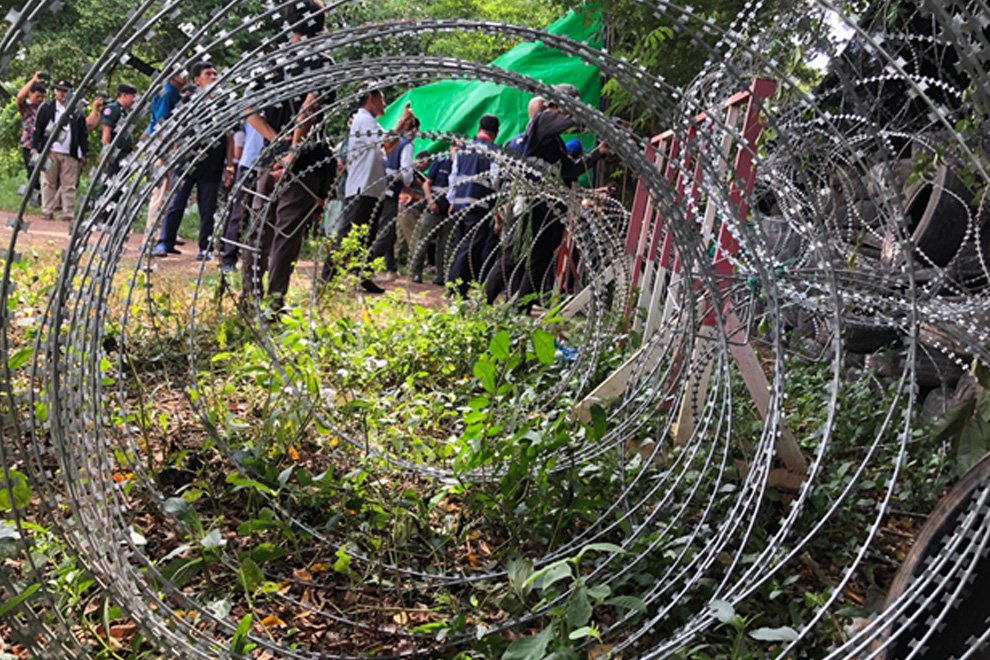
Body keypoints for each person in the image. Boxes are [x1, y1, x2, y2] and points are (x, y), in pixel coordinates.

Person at [240, 0, 336, 310]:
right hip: (304, 161)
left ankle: (249, 298)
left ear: (288, 25)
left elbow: (248, 108)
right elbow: (310, 106)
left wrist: (277, 142)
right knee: (286, 234)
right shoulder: (322, 62)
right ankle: (273, 305)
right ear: (320, 26)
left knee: (259, 230)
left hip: (271, 157)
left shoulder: (270, 62)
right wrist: (293, 151)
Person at [485, 84, 608, 311]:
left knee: (539, 262)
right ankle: (483, 303)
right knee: (512, 256)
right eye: (571, 108)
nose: (571, 114)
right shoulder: (542, 120)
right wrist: (597, 120)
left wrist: (598, 153)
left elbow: (569, 171)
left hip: (544, 207)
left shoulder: (555, 142)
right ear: (560, 104)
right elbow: (571, 122)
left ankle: (520, 311)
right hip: (527, 203)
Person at [152, 62, 234, 259]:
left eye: (215, 73)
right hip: (186, 162)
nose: (213, 77)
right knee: (175, 203)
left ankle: (205, 248)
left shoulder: (224, 104)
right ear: (197, 80)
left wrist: (230, 166)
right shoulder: (187, 101)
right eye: (208, 74)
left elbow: (229, 138)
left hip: (212, 165)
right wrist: (171, 157)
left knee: (208, 208)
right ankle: (164, 242)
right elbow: (176, 132)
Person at [319, 83, 389, 294]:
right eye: (381, 98)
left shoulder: (371, 122)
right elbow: (387, 143)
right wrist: (402, 122)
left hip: (371, 187)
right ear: (371, 99)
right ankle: (328, 278)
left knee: (366, 236)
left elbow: (387, 145)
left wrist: (402, 127)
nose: (384, 103)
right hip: (362, 187)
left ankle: (363, 277)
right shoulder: (364, 120)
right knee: (348, 234)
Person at [446, 114, 501, 297]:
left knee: (460, 246)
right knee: (470, 249)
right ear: (496, 133)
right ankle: (457, 290)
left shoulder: (463, 148)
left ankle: (453, 285)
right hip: (479, 204)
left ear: (479, 128)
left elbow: (453, 176)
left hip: (459, 203)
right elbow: (494, 180)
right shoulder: (494, 152)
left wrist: (451, 200)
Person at [371, 110, 419, 280]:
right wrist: (409, 184)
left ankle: (390, 266)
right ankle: (366, 265)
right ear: (414, 130)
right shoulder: (406, 145)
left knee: (382, 229)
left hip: (378, 188)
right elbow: (406, 172)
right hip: (391, 191)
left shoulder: (392, 141)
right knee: (386, 230)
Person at [32, 79, 89, 221]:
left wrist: (84, 152)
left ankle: (68, 213)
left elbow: (83, 134)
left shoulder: (76, 111)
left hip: (70, 152)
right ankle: (47, 210)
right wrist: (34, 147)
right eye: (59, 90)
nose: (61, 94)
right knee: (47, 182)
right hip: (50, 151)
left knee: (69, 184)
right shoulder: (47, 107)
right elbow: (38, 128)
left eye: (64, 91)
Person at [143, 69, 189, 242]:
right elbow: (162, 123)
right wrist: (163, 151)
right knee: (160, 192)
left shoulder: (174, 93)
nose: (185, 76)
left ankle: (164, 232)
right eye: (181, 72)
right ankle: (152, 236)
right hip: (162, 147)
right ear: (171, 73)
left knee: (167, 192)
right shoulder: (167, 93)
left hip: (167, 146)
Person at [220, 122, 264, 273]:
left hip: (271, 165)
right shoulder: (254, 111)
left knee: (263, 216)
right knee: (239, 214)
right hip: (249, 164)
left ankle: (256, 261)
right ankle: (228, 259)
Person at [409, 147, 454, 284]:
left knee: (444, 245)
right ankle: (416, 272)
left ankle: (440, 276)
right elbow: (426, 184)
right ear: (451, 148)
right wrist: (430, 201)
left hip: (449, 211)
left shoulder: (462, 166)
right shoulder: (440, 163)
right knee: (424, 240)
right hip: (434, 208)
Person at [394, 150, 430, 269]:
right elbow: (402, 185)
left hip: (405, 208)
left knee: (400, 238)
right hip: (408, 208)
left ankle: (393, 261)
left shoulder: (420, 176)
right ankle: (419, 264)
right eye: (426, 164)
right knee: (414, 236)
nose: (426, 167)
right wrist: (415, 196)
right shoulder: (408, 172)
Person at [16, 72, 47, 203]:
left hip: (42, 145)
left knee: (45, 172)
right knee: (32, 173)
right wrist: (33, 79)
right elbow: (19, 97)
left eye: (42, 97)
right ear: (31, 93)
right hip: (28, 144)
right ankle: (33, 199)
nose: (40, 99)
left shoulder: (44, 109)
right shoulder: (27, 107)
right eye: (37, 96)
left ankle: (43, 198)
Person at [100, 83, 138, 173]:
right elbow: (106, 132)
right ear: (124, 95)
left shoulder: (124, 112)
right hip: (114, 154)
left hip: (123, 155)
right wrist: (105, 155)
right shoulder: (113, 109)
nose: (134, 100)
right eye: (132, 96)